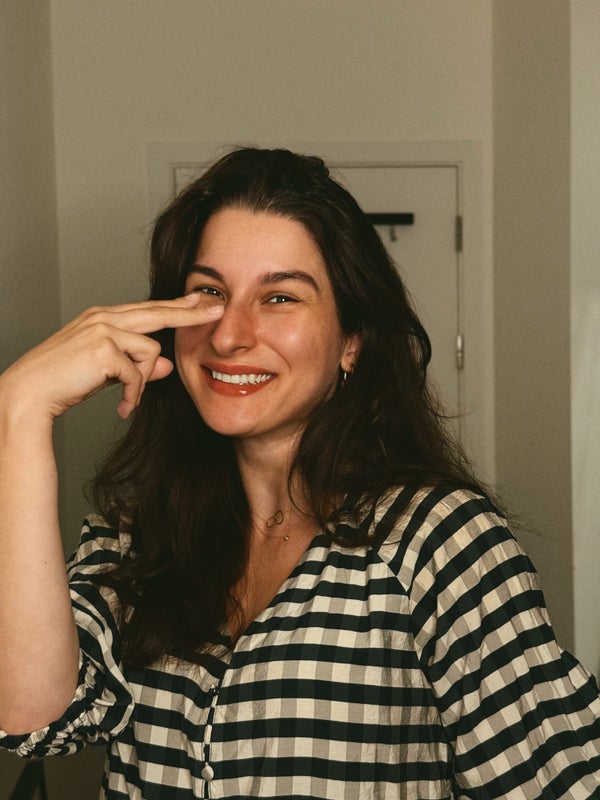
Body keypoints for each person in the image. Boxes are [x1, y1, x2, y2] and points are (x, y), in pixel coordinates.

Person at [0, 147, 598, 800]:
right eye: (210, 292)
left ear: (352, 341)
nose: (228, 335)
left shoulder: (438, 542)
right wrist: (20, 413)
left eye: (279, 297)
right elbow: (31, 720)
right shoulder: (139, 536)